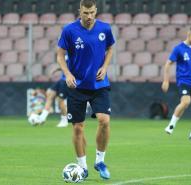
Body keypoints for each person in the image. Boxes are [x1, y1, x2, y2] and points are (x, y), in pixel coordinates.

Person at [57, 0, 115, 180]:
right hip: (77, 86)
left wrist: (105, 66)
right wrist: (67, 73)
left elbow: (111, 47)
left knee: (104, 120)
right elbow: (60, 54)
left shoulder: (105, 29)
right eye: (85, 13)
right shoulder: (69, 30)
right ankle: (82, 167)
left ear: (96, 11)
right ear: (79, 11)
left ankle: (100, 161)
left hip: (99, 84)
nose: (89, 16)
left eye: (92, 12)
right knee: (77, 128)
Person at [162, 26, 191, 141]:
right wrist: (166, 80)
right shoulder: (178, 49)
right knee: (186, 102)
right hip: (184, 81)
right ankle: (171, 126)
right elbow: (168, 64)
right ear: (188, 34)